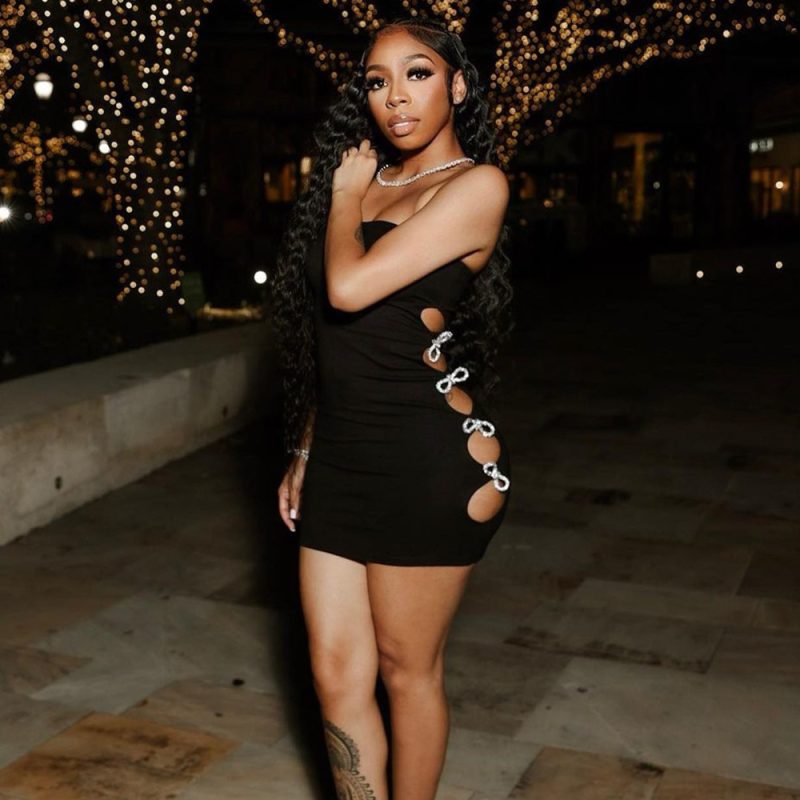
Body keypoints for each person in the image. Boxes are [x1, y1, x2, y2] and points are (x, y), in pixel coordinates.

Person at [271, 16, 514, 800]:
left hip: (426, 461)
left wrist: (344, 194)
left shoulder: (477, 186)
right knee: (336, 675)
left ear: (457, 85)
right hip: (342, 454)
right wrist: (307, 446)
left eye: (417, 73)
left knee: (409, 673)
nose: (395, 96)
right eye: (377, 81)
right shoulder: (369, 180)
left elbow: (349, 288)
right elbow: (336, 337)